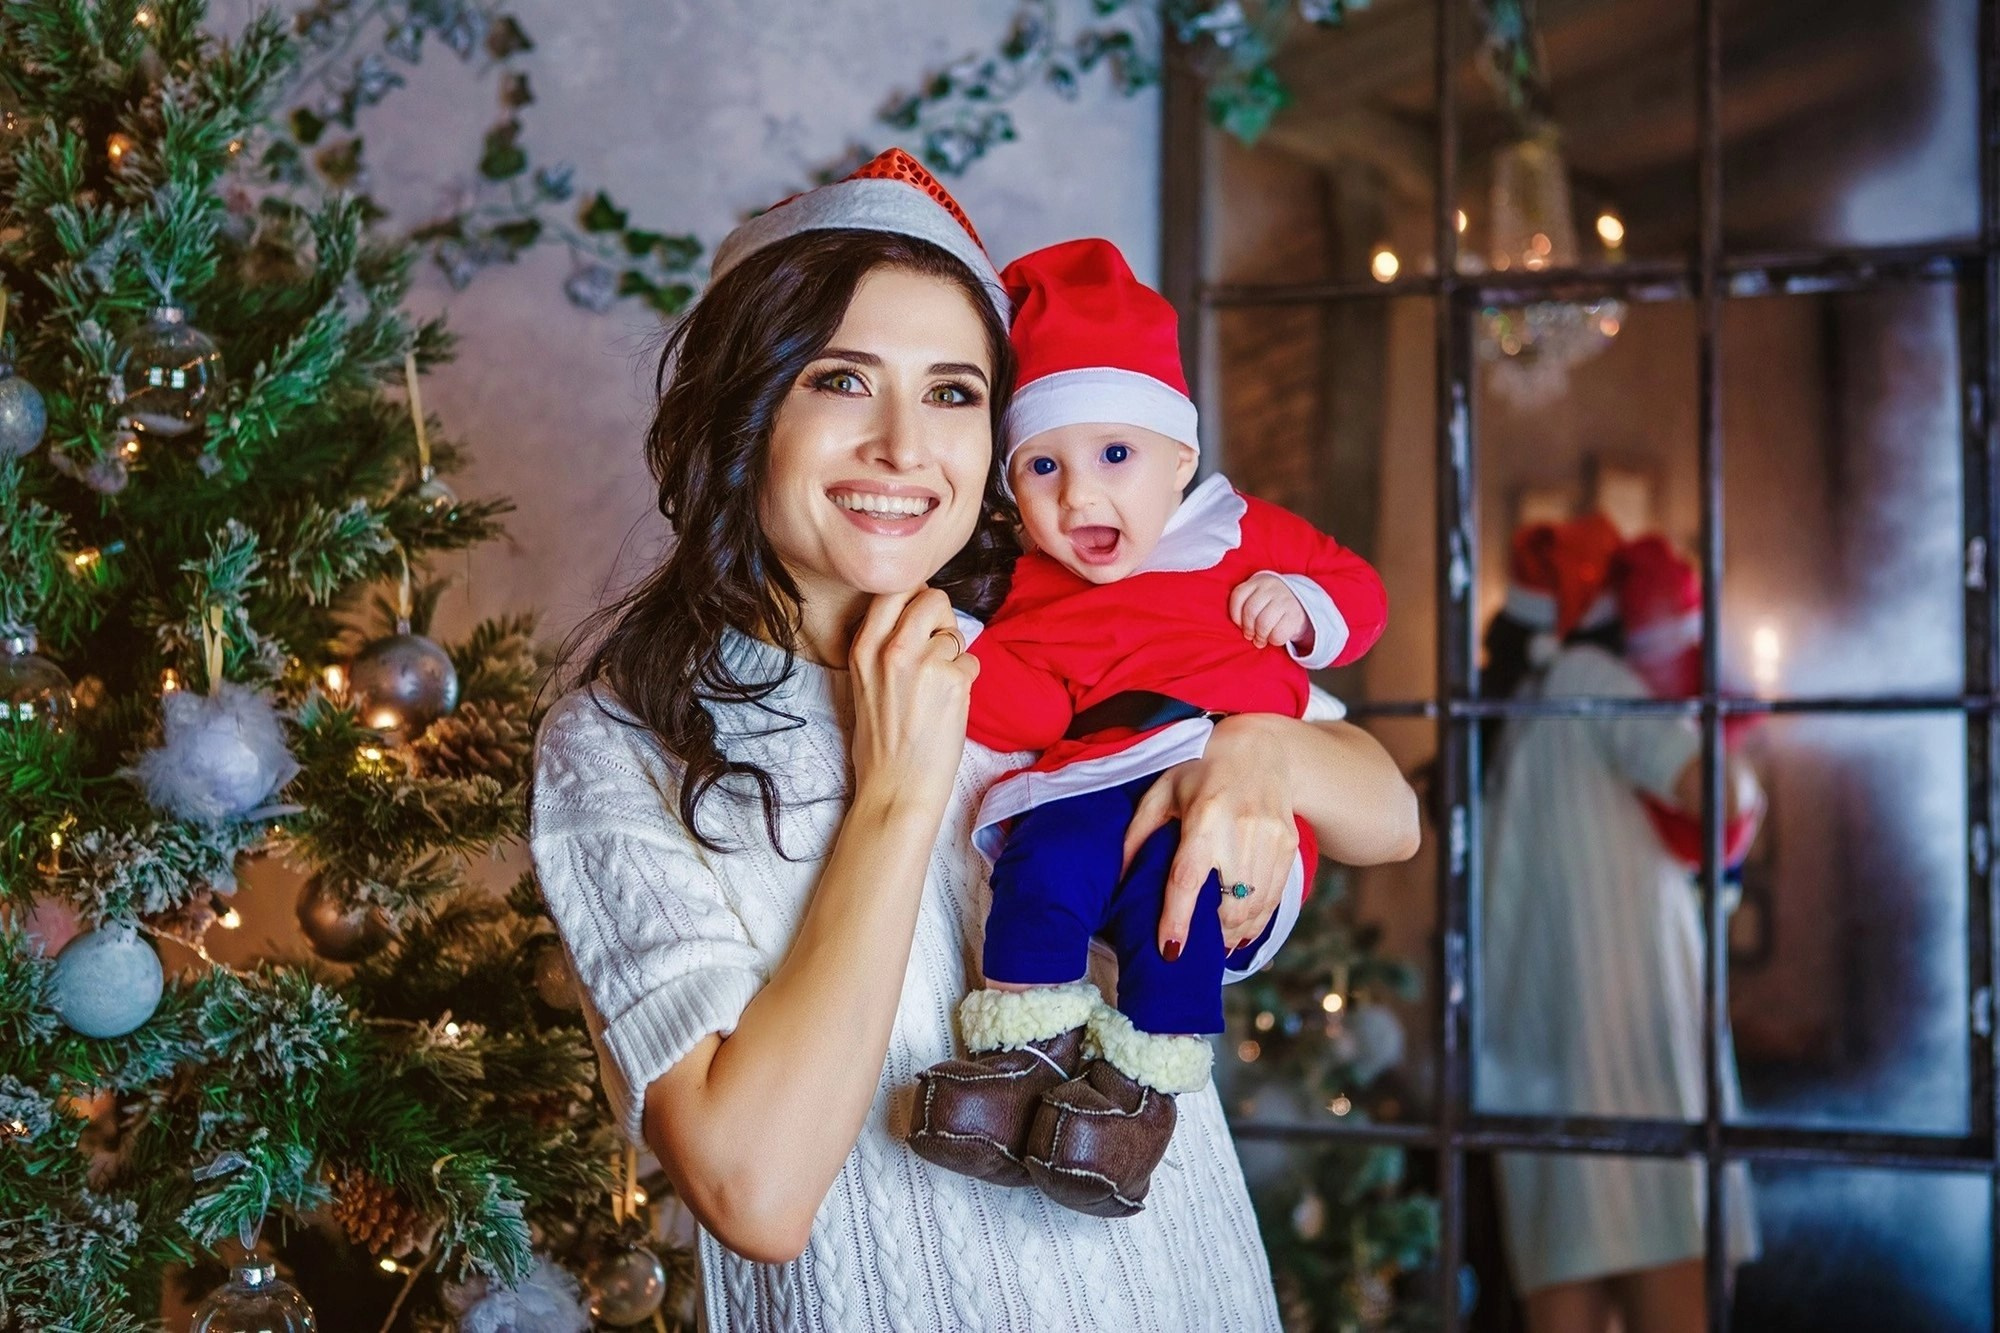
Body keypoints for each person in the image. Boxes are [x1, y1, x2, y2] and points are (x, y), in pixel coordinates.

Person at [529, 149, 1422, 1331]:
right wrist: (896, 798)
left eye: (952, 392)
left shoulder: (1042, 634)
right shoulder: (623, 740)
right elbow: (755, 1190)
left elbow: (1389, 814)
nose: (904, 447)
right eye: (841, 381)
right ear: (746, 410)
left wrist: (1260, 753)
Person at [907, 238, 1388, 1218]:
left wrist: (1298, 604)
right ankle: (1019, 1053)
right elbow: (1023, 705)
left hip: (1217, 781)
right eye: (1041, 465)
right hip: (1088, 776)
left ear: (1183, 457)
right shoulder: (1035, 585)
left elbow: (1361, 596)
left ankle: (1133, 1099)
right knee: (1040, 868)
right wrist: (951, 646)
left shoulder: (1240, 533)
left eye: (1115, 456)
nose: (1079, 496)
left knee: (1175, 911)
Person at [1477, 515, 1761, 1333]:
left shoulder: (1508, 713)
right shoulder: (1585, 673)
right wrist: (1730, 721)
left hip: (1537, 1063)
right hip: (1637, 1062)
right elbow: (1714, 790)